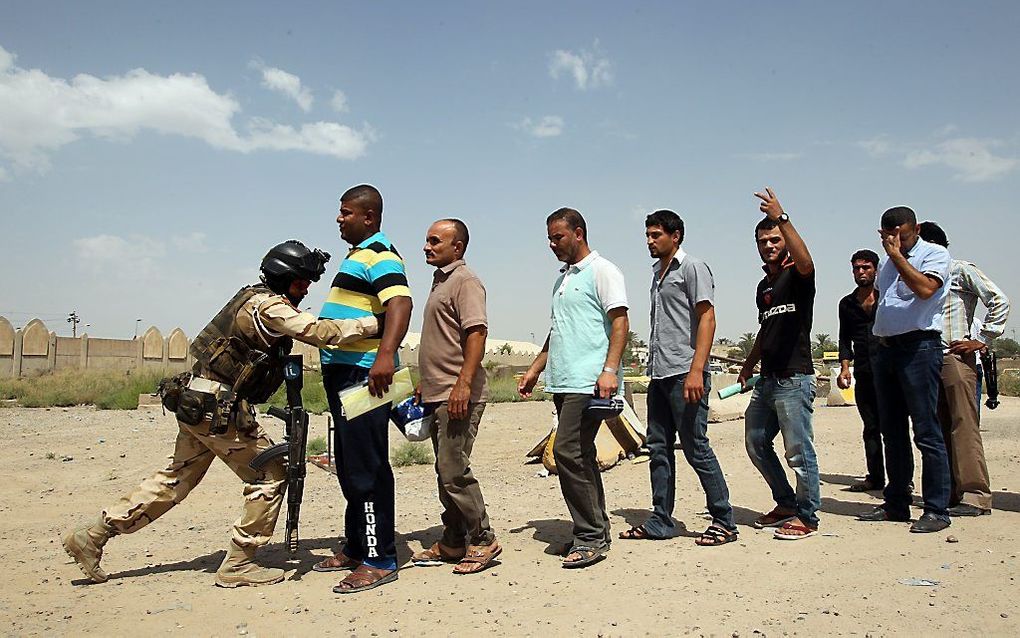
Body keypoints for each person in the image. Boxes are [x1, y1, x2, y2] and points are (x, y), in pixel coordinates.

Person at [62, 241, 379, 587]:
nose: (305, 290)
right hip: (218, 409)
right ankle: (240, 564)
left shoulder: (250, 297)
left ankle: (94, 535)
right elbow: (320, 332)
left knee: (175, 479)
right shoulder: (269, 306)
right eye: (301, 282)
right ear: (285, 277)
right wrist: (374, 324)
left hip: (197, 401)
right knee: (271, 472)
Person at [313, 184, 412, 593]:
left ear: (368, 217)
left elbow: (400, 304)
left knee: (367, 468)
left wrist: (386, 356)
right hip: (345, 374)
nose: (339, 219)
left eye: (346, 213)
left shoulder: (380, 254)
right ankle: (356, 547)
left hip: (366, 375)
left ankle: (380, 558)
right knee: (350, 466)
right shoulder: (356, 256)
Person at [618, 209, 737, 546]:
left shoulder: (693, 267)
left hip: (686, 372)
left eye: (656, 235)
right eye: (647, 235)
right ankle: (661, 519)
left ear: (676, 236)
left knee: (696, 447)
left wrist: (697, 370)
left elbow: (707, 318)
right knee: (658, 448)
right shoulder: (658, 272)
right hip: (660, 373)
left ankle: (724, 520)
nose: (649, 241)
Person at [518, 207, 629, 568]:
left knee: (566, 451)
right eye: (549, 238)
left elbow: (620, 322)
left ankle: (590, 536)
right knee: (577, 452)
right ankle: (596, 528)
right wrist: (536, 368)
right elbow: (558, 329)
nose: (552, 244)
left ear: (578, 233)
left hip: (590, 379)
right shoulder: (563, 279)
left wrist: (610, 369)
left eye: (558, 237)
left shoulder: (603, 271)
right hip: (564, 379)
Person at [410, 219, 501, 573]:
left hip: (459, 394)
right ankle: (452, 540)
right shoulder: (441, 280)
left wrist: (463, 383)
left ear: (457, 247)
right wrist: (426, 381)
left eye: (435, 241)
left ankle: (483, 539)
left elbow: (476, 332)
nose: (427, 246)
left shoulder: (465, 280)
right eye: (427, 239)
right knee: (444, 470)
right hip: (439, 391)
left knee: (454, 470)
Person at [858, 206, 952, 533]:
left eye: (901, 234)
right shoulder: (886, 263)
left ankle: (937, 509)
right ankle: (896, 503)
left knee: (926, 431)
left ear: (917, 228)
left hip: (919, 348)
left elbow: (925, 289)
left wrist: (898, 257)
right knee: (892, 431)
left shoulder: (934, 254)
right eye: (887, 236)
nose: (894, 240)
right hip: (886, 350)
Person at [738, 187, 821, 541]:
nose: (769, 245)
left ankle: (808, 515)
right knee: (756, 442)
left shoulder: (798, 277)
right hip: (768, 380)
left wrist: (782, 218)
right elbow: (765, 328)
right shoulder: (764, 286)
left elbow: (807, 262)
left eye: (774, 239)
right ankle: (785, 503)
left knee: (799, 450)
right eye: (763, 241)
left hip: (794, 378)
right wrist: (748, 365)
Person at [917, 221, 1010, 517]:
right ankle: (949, 493)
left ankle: (975, 495)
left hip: (954, 358)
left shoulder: (959, 269)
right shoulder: (918, 277)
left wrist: (981, 340)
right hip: (925, 359)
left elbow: (999, 300)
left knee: (963, 426)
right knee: (936, 430)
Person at [836, 249, 884, 492]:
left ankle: (901, 481)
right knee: (871, 427)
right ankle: (875, 477)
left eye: (866, 267)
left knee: (894, 427)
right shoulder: (847, 304)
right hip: (864, 371)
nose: (861, 272)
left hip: (889, 370)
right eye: (857, 268)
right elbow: (844, 339)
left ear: (876, 269)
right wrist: (845, 368)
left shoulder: (887, 297)